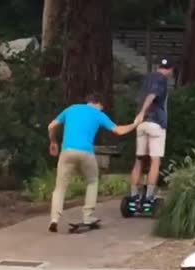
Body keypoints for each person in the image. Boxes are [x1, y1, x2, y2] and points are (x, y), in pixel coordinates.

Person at [47, 93, 143, 232]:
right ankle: (87, 215)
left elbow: (51, 126)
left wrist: (53, 141)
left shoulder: (71, 108)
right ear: (99, 104)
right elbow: (119, 131)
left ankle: (54, 219)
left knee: (60, 187)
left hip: (67, 151)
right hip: (86, 153)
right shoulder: (98, 114)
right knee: (92, 181)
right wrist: (135, 124)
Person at [130, 58, 174, 204]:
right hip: (155, 123)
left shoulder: (147, 78)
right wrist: (144, 111)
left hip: (141, 124)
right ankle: (149, 195)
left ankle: (134, 194)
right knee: (155, 160)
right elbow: (152, 95)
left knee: (139, 158)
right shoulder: (161, 79)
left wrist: (140, 115)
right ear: (170, 69)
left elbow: (143, 96)